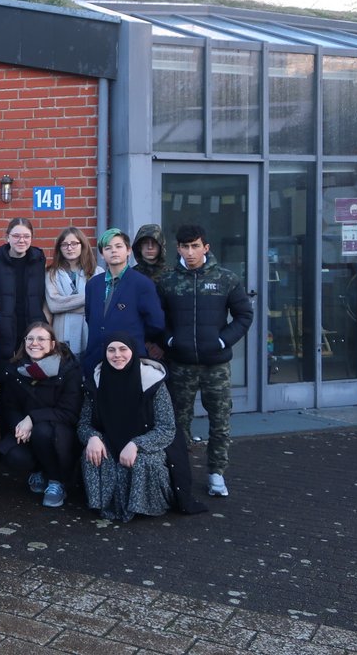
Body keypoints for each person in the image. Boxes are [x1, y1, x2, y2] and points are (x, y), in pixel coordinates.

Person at [157, 223, 253, 498]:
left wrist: (222, 341)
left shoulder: (226, 279)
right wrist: (171, 341)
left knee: (220, 421)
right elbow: (157, 320)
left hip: (216, 365)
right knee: (177, 423)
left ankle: (216, 474)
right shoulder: (168, 281)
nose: (190, 252)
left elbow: (244, 315)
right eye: (185, 247)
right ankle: (180, 473)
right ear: (178, 248)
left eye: (195, 246)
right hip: (181, 364)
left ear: (206, 247)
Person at [79, 333, 176, 523]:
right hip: (110, 440)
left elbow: (167, 428)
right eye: (111, 350)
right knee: (93, 454)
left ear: (133, 352)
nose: (117, 355)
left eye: (123, 349)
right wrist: (92, 437)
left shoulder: (153, 382)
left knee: (141, 462)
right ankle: (107, 505)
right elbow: (84, 423)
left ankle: (143, 506)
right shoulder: (96, 383)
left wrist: (137, 444)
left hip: (146, 444)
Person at [0, 322, 83, 508]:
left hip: (59, 433)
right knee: (13, 455)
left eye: (41, 339)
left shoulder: (68, 369)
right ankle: (38, 471)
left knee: (42, 431)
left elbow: (69, 412)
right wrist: (19, 426)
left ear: (52, 344)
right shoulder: (16, 370)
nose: (35, 343)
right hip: (28, 432)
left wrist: (32, 418)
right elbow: (8, 407)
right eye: (30, 338)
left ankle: (56, 481)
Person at [83, 229, 165, 378]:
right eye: (108, 248)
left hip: (128, 359)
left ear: (128, 250)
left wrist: (137, 337)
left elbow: (156, 323)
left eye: (118, 246)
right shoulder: (93, 284)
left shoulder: (142, 283)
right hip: (96, 359)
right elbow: (90, 317)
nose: (113, 251)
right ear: (102, 254)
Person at [0, 218, 49, 383]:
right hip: (3, 328)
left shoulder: (39, 262)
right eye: (16, 236)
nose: (21, 240)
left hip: (33, 327)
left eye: (26, 236)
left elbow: (46, 294)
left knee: (33, 378)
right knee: (3, 378)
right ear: (7, 237)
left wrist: (45, 321)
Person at [45, 227, 101, 358]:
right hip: (61, 333)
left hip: (89, 331)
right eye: (64, 244)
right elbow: (54, 305)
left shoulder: (97, 272)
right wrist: (89, 298)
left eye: (74, 243)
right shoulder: (51, 273)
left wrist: (66, 306)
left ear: (83, 245)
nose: (69, 248)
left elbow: (99, 304)